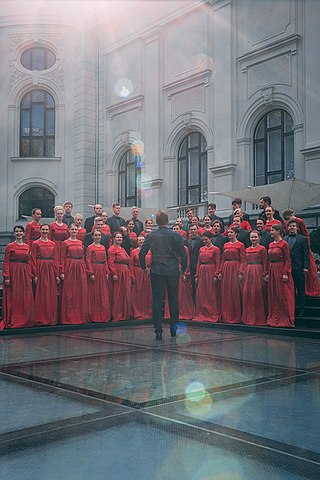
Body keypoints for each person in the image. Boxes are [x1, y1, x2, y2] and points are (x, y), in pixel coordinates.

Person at [139, 210, 187, 340]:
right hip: (172, 270)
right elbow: (183, 254)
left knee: (156, 300)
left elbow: (142, 253)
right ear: (167, 221)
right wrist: (184, 270)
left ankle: (158, 330)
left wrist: (143, 267)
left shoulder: (151, 235)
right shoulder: (176, 236)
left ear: (156, 222)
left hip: (157, 270)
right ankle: (173, 328)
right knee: (173, 300)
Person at [1, 225, 34, 329]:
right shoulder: (10, 246)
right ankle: (13, 319)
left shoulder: (27, 246)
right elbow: (6, 262)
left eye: (20, 231)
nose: (19, 233)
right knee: (14, 295)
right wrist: (6, 276)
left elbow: (29, 261)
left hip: (24, 273)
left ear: (23, 233)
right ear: (14, 233)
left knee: (24, 296)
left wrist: (30, 275)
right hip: (14, 272)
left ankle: (24, 319)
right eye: (17, 231)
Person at [283, 209, 320, 296]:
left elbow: (306, 235)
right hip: (293, 250)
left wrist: (305, 246)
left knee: (306, 272)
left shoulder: (300, 221)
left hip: (301, 246)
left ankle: (308, 289)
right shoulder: (287, 224)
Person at [267, 224, 295, 327]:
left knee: (282, 294)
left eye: (273, 230)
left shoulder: (284, 244)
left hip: (280, 269)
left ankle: (286, 318)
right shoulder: (270, 244)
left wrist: (285, 273)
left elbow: (287, 260)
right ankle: (275, 316)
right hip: (272, 270)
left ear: (278, 231)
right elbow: (269, 259)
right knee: (273, 294)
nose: (271, 232)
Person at [31, 224, 60, 326]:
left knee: (51, 293)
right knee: (41, 293)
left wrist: (57, 274)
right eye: (43, 229)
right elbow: (33, 259)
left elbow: (56, 259)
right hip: (40, 268)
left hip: (51, 268)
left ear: (49, 231)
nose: (45, 231)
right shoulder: (36, 243)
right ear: (40, 230)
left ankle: (50, 318)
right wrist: (35, 274)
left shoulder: (53, 244)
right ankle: (40, 318)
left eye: (46, 229)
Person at [60, 224, 88, 324]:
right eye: (72, 229)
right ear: (69, 230)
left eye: (76, 229)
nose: (74, 231)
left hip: (80, 266)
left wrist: (84, 268)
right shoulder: (65, 243)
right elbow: (62, 258)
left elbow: (83, 257)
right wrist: (62, 271)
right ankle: (69, 317)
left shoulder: (80, 242)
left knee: (80, 290)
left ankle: (79, 316)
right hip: (70, 266)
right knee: (70, 291)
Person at [219, 226, 246, 324]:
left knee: (235, 291)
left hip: (235, 267)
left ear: (236, 233)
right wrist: (220, 271)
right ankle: (226, 314)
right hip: (226, 268)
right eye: (228, 232)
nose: (229, 234)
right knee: (226, 291)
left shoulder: (240, 245)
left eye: (231, 232)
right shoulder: (225, 245)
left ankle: (236, 315)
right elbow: (223, 259)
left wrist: (241, 272)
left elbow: (243, 259)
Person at [283, 219, 310, 317]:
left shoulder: (303, 239)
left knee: (300, 289)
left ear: (297, 228)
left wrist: (306, 267)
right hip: (288, 268)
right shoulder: (284, 239)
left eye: (294, 226)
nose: (292, 228)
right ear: (288, 227)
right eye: (290, 226)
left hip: (299, 267)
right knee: (290, 290)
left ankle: (301, 309)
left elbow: (306, 254)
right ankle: (292, 308)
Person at [241, 230, 268, 325]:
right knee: (247, 293)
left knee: (257, 294)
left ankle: (258, 317)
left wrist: (265, 274)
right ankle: (248, 316)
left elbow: (265, 262)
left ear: (259, 238)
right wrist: (243, 271)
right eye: (252, 237)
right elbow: (244, 261)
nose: (254, 239)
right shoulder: (247, 249)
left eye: (255, 237)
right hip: (248, 272)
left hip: (258, 271)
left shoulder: (262, 249)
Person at [193, 232, 220, 322]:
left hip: (210, 271)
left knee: (210, 293)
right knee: (201, 293)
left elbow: (218, 262)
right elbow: (198, 263)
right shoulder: (201, 249)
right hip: (202, 271)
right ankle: (202, 313)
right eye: (203, 240)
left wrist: (216, 274)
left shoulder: (216, 249)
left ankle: (211, 313)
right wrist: (197, 275)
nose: (204, 241)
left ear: (211, 239)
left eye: (206, 239)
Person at [86, 229, 111, 323]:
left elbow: (105, 261)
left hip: (102, 270)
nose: (97, 237)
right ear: (92, 236)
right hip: (95, 269)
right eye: (95, 235)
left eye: (99, 235)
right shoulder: (90, 247)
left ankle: (103, 315)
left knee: (102, 293)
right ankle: (93, 314)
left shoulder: (103, 247)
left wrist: (106, 272)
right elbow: (88, 261)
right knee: (94, 292)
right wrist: (91, 273)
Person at [108, 231, 132, 321]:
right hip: (118, 271)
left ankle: (125, 313)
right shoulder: (111, 249)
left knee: (125, 292)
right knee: (118, 293)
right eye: (117, 237)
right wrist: (114, 273)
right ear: (113, 239)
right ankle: (116, 314)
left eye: (121, 238)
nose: (119, 239)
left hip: (125, 272)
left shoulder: (122, 249)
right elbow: (110, 262)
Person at [130, 235, 152, 320]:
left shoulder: (150, 252)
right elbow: (131, 264)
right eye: (139, 240)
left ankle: (147, 311)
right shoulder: (133, 252)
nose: (141, 241)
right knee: (137, 292)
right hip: (138, 272)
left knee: (147, 292)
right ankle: (137, 311)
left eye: (142, 240)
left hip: (147, 273)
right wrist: (132, 275)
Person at [186, 224, 204, 301]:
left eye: (194, 229)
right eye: (191, 230)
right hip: (190, 265)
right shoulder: (188, 241)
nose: (193, 231)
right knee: (192, 283)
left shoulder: (201, 241)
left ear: (197, 230)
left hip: (199, 264)